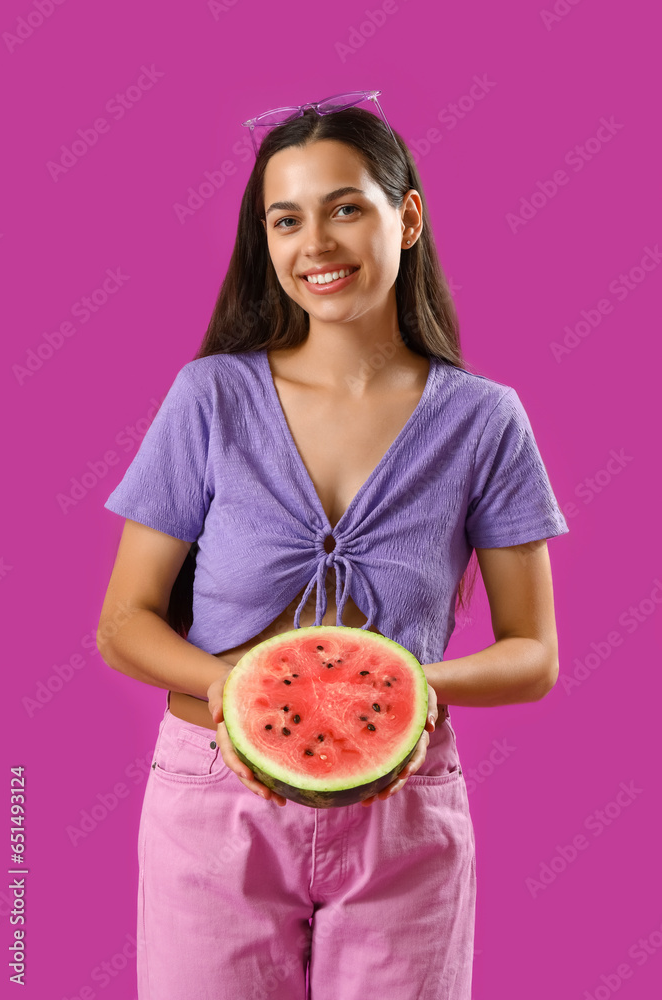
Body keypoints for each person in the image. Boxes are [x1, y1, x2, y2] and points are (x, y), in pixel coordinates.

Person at [98, 91, 569, 1000]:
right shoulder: (209, 398)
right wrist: (229, 687)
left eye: (345, 207)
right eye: (286, 219)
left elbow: (534, 654)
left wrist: (397, 694)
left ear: (408, 217)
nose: (314, 245)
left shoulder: (484, 421)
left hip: (404, 809)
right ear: (265, 242)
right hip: (209, 801)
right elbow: (125, 621)